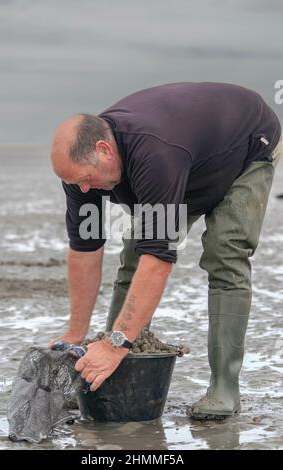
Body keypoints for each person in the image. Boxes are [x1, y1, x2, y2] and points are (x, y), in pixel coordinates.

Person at [49, 82, 281, 420]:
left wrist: (115, 343)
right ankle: (114, 371)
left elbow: (159, 261)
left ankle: (225, 388)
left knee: (224, 253)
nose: (83, 189)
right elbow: (85, 249)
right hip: (187, 164)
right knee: (132, 256)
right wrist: (75, 331)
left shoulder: (155, 155)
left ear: (104, 150)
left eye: (85, 179)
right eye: (74, 183)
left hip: (246, 147)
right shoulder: (80, 174)